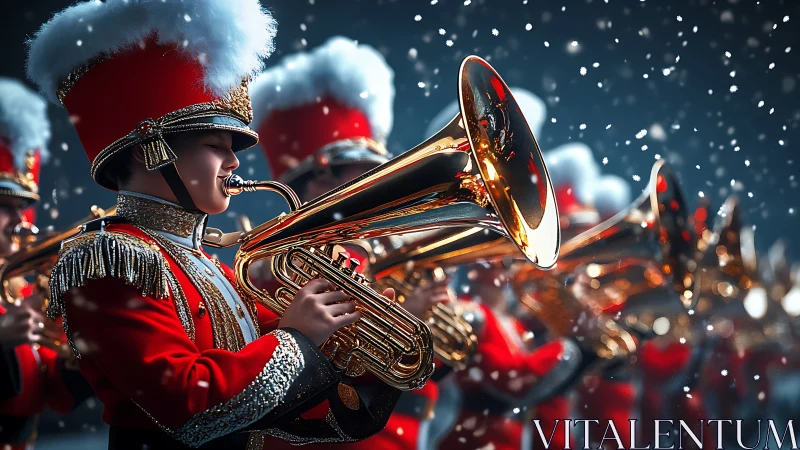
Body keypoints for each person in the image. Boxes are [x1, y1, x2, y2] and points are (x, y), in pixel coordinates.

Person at [26, 2, 401, 449]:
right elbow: (191, 406)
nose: (234, 162)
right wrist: (300, 336)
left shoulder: (211, 267)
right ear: (150, 150)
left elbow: (290, 407)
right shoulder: (111, 259)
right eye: (214, 145)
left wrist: (359, 340)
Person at [249, 36, 452, 450]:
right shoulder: (280, 264)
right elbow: (333, 366)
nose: (379, 187)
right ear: (320, 179)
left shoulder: (372, 251)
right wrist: (404, 323)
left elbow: (422, 370)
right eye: (363, 174)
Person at [0, 77, 93, 450]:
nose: (21, 221)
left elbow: (52, 394)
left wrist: (86, 350)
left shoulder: (20, 286)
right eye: (4, 207)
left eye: (22, 207)